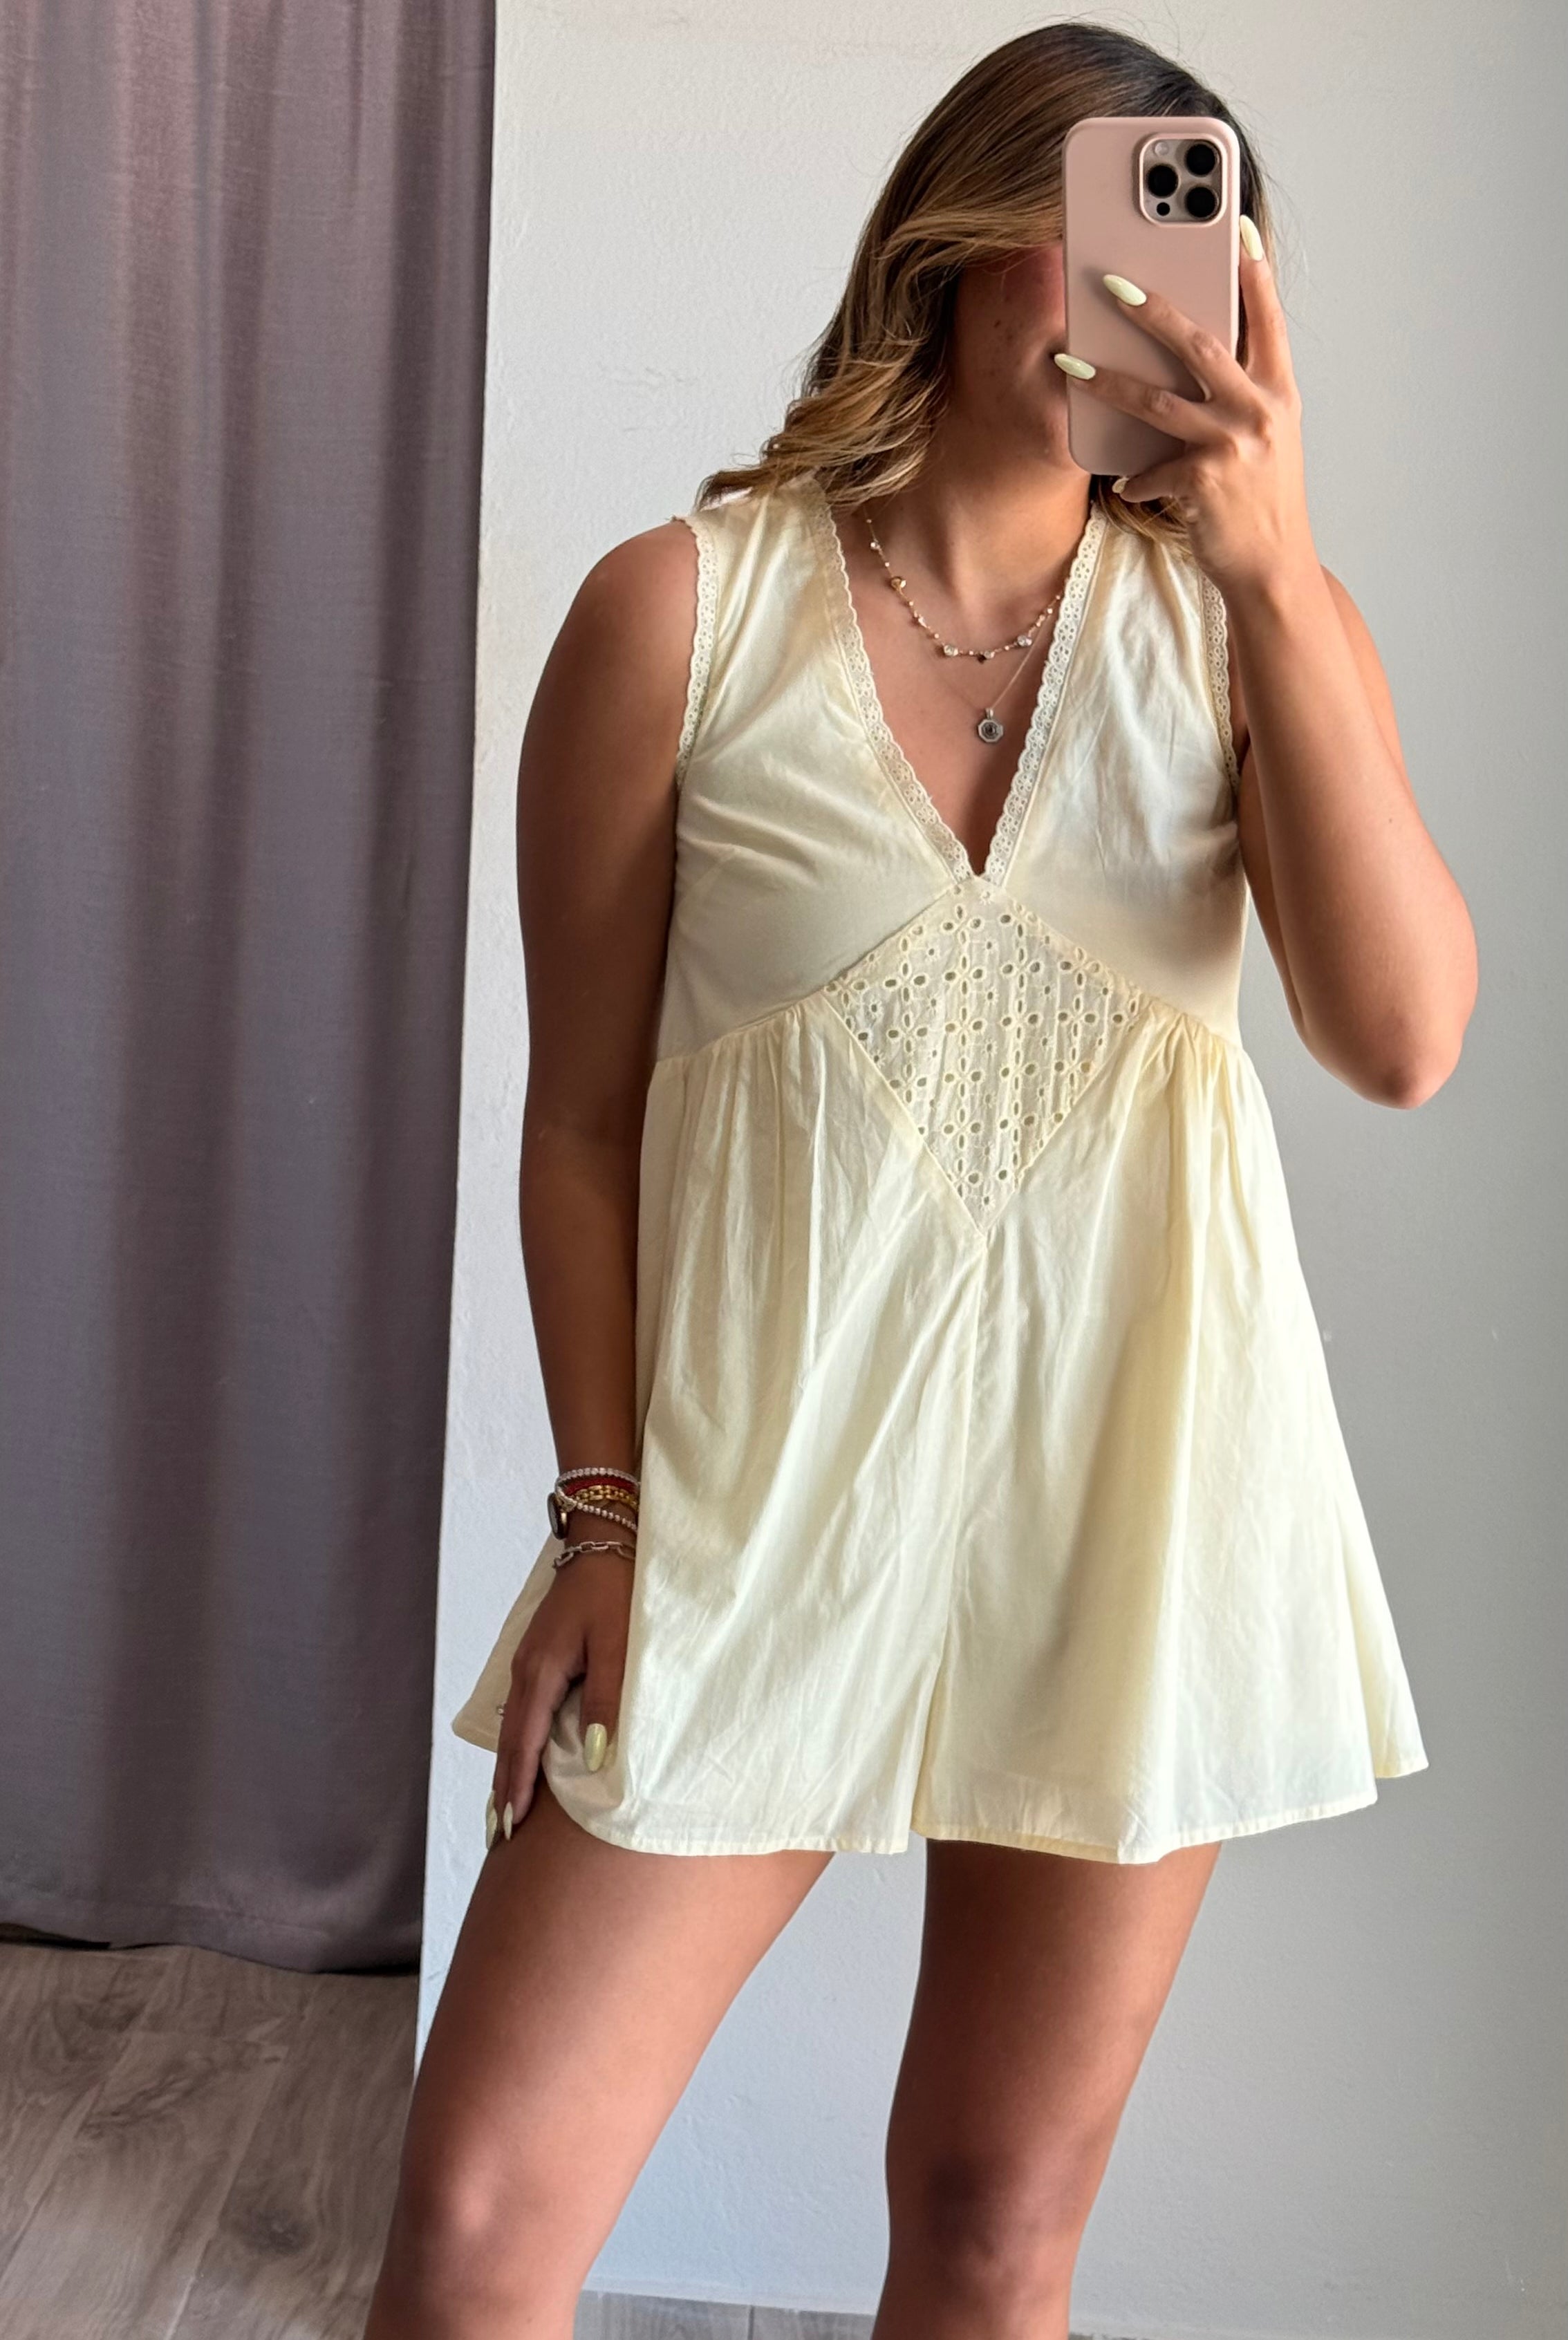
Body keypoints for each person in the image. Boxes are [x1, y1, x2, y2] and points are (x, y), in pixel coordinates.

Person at [364, 23, 1475, 2340]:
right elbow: (579, 1122)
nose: (1152, 306)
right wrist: (600, 1517)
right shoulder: (676, 615)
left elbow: (1399, 1038)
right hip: (753, 1509)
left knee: (988, 2221)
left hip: (1136, 1516)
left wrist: (1274, 571)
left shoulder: (1251, 633)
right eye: (1109, 238)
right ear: (962, 249)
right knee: (475, 2233)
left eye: (1194, 255)